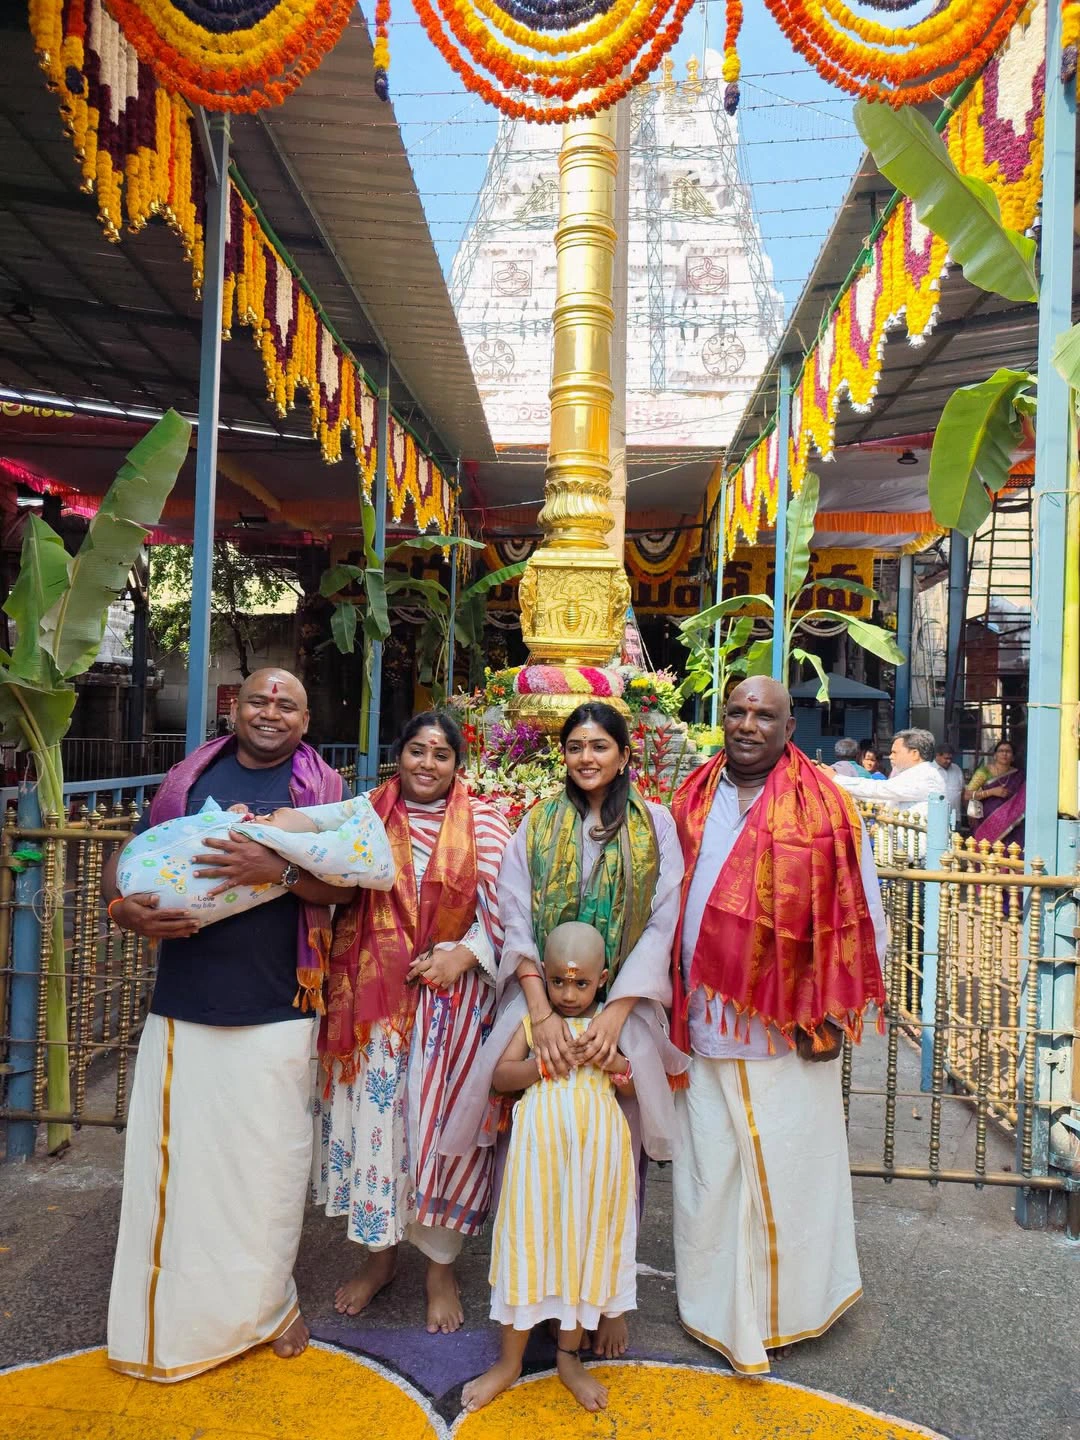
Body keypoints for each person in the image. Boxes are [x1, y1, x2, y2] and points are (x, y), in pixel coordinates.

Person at [104, 668, 351, 1381]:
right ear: (234, 709)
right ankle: (174, 1317)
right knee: (175, 1170)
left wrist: (274, 870)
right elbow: (135, 853)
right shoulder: (189, 778)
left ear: (306, 721)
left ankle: (269, 1304)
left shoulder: (324, 793)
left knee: (267, 1170)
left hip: (280, 1003)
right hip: (187, 1001)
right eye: (259, 700)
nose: (271, 711)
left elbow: (346, 885)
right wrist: (122, 909)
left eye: (288, 703)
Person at [442, 699, 687, 1361]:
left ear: (624, 755)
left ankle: (607, 1301)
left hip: (623, 1003)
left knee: (617, 1151)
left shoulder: (655, 825)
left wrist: (615, 1010)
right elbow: (512, 915)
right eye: (576, 746)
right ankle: (537, 1289)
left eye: (599, 747)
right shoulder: (538, 825)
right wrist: (541, 1010)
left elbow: (663, 921)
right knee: (533, 1150)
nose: (586, 757)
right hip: (540, 997)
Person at [669, 678, 887, 1375]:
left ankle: (788, 1313)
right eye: (736, 711)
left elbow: (863, 919)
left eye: (764, 714)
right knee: (710, 1172)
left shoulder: (826, 806)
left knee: (790, 1172)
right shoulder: (690, 798)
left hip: (787, 1030)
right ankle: (715, 1310)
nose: (747, 723)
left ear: (790, 725)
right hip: (702, 1020)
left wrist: (827, 1011)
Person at [313, 711, 511, 1335]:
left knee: (437, 1137)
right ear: (398, 756)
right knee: (380, 1131)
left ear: (459, 765)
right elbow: (315, 868)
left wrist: (466, 954)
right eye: (417, 750)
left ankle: (440, 1271)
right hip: (372, 1009)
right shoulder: (363, 814)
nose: (427, 764)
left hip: (451, 1011)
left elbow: (511, 908)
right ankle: (380, 1257)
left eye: (441, 754)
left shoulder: (485, 823)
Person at [461, 922, 638, 1415]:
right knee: (528, 1245)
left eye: (581, 983)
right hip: (538, 1165)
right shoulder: (533, 1023)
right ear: (542, 976)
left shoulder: (607, 1022)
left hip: (597, 1164)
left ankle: (568, 1356)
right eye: (558, 981)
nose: (568, 993)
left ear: (602, 979)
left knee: (584, 1249)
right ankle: (509, 1361)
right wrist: (544, 1063)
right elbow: (499, 1078)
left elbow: (631, 1086)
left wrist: (610, 1062)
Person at [830, 728, 945, 820]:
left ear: (914, 754)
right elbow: (877, 798)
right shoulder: (911, 774)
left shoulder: (925, 775)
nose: (890, 756)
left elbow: (880, 789)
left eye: (895, 752)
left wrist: (835, 778)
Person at [965, 739, 1026, 850]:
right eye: (1001, 751)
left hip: (1011, 826)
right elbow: (967, 795)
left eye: (1008, 751)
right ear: (995, 755)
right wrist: (991, 792)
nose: (1004, 754)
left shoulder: (1019, 775)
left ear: (1013, 757)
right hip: (987, 822)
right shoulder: (985, 771)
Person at [934, 744, 965, 827]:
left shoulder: (956, 769)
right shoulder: (929, 770)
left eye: (950, 758)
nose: (949, 761)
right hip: (935, 818)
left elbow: (962, 792)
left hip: (955, 818)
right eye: (946, 758)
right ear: (937, 756)